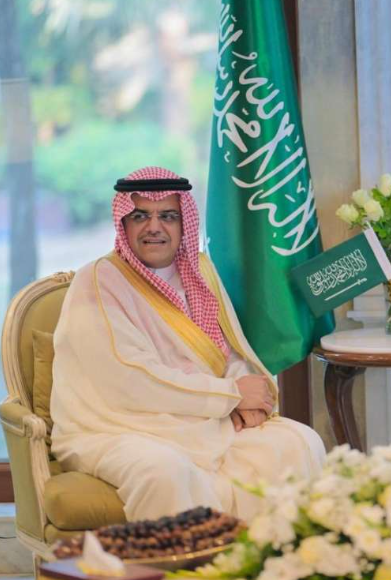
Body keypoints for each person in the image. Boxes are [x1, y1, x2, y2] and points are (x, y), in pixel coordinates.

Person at [50, 166, 326, 523]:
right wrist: (231, 396)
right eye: (141, 216)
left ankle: (263, 558)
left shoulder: (199, 270)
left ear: (184, 223)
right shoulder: (100, 280)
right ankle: (194, 561)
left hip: (202, 419)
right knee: (165, 472)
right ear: (124, 223)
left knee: (298, 443)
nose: (154, 227)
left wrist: (246, 400)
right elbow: (131, 380)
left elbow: (227, 350)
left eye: (168, 216)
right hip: (117, 426)